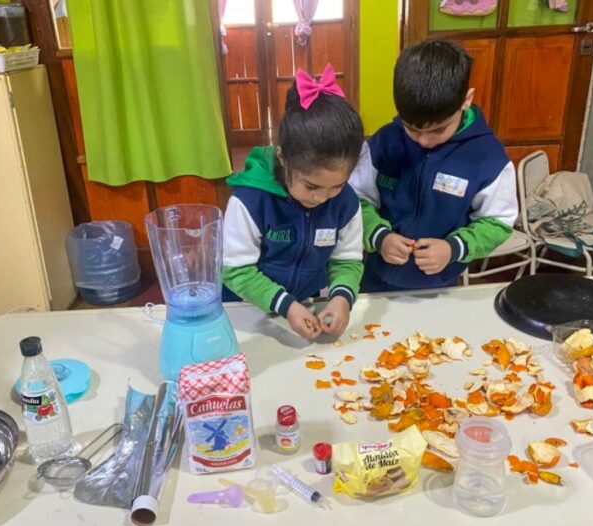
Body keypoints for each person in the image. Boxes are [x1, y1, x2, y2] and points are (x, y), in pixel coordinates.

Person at [348, 39, 518, 292]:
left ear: (466, 99)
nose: (424, 141)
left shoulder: (488, 158)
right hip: (372, 276)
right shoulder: (383, 143)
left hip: (439, 284)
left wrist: (453, 248)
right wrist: (378, 236)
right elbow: (355, 198)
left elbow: (498, 222)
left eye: (439, 130)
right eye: (412, 129)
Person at [222, 64, 365, 340]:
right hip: (244, 311)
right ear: (283, 157)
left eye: (336, 185)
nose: (322, 198)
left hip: (305, 306)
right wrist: (285, 305)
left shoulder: (346, 202)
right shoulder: (250, 201)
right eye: (311, 186)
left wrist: (341, 298)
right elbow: (236, 271)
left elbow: (347, 260)